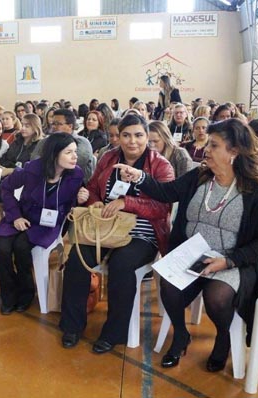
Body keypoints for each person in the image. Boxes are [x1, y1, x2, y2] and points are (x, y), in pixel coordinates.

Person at [116, 118, 258, 372]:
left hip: (232, 261)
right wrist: (140, 177)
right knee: (168, 285)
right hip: (191, 255)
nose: (207, 150)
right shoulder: (200, 176)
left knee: (218, 296)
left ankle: (223, 337)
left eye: (214, 145)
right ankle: (181, 334)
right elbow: (166, 192)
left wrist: (227, 261)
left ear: (234, 152)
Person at [59, 114, 174, 353]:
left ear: (146, 136)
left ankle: (114, 332)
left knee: (122, 265)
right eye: (126, 135)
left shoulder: (161, 165)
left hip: (143, 232)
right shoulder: (108, 157)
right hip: (104, 227)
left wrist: (126, 203)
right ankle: (72, 326)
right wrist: (93, 203)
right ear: (118, 136)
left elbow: (163, 207)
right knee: (77, 261)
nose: (133, 141)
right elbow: (92, 189)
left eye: (138, 135)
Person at [0, 133, 89, 314]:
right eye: (69, 152)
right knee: (2, 249)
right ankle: (8, 294)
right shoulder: (32, 169)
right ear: (54, 154)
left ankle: (26, 292)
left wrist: (80, 199)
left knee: (22, 247)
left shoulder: (76, 174)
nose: (75, 157)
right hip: (22, 216)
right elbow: (6, 187)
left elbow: (74, 206)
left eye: (75, 152)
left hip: (49, 223)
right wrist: (15, 216)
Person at [32, 108, 94, 183]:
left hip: (77, 186)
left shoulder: (82, 143)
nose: (53, 127)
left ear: (70, 126)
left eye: (58, 124)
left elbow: (73, 165)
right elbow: (34, 161)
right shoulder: (44, 142)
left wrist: (49, 159)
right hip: (45, 183)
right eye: (53, 124)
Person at [0, 114, 42, 178]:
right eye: (22, 125)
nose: (23, 128)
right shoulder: (17, 141)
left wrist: (11, 170)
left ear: (35, 128)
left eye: (27, 126)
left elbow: (32, 169)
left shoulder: (39, 145)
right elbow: (5, 158)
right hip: (6, 176)